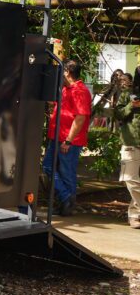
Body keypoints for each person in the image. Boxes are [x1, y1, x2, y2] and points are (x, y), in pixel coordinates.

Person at [42, 59, 92, 216]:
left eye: (61, 70)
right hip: (57, 137)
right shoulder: (66, 89)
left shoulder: (80, 91)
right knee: (48, 167)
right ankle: (65, 199)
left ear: (67, 72)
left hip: (69, 141)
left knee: (66, 172)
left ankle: (67, 204)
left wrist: (68, 141)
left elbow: (80, 118)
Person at [111, 72, 140, 228]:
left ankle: (135, 215)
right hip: (131, 143)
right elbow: (118, 114)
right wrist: (131, 105)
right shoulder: (127, 94)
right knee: (130, 179)